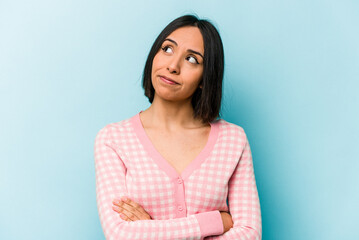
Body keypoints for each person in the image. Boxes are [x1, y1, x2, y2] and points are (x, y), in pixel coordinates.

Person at [94, 15, 262, 239]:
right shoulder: (114, 139)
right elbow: (121, 234)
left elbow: (250, 234)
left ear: (205, 77)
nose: (172, 66)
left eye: (192, 59)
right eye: (167, 49)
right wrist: (213, 222)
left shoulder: (233, 140)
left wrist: (150, 229)